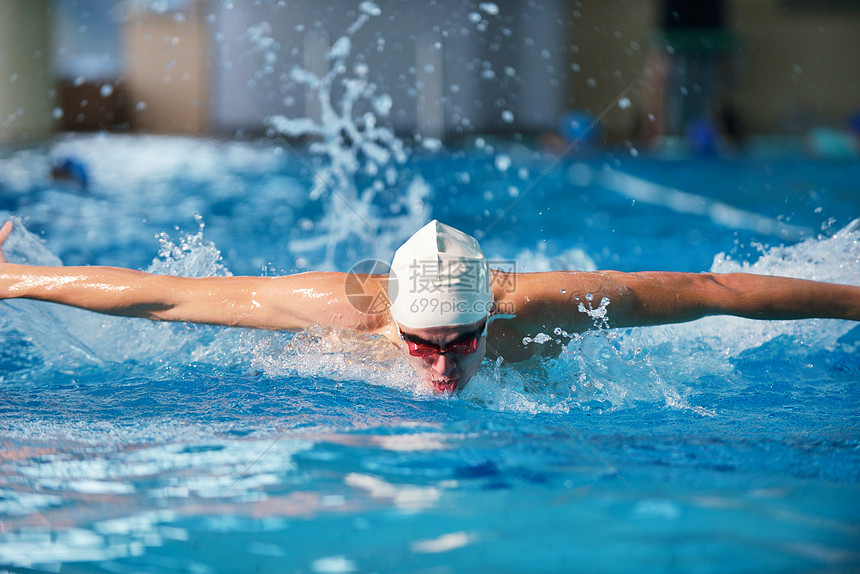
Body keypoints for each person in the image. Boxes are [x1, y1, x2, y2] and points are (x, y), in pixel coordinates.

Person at [1, 219, 858, 393]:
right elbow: (161, 297)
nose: (445, 365)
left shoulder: (547, 308)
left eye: (463, 342)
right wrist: (12, 281)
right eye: (423, 346)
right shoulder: (339, 314)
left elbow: (720, 295)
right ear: (391, 322)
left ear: (494, 317)